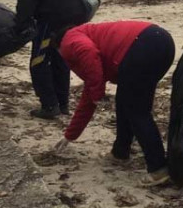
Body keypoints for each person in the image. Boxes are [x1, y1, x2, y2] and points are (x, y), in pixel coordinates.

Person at [52, 21, 175, 186]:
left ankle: (158, 168)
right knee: (126, 101)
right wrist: (70, 135)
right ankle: (120, 152)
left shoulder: (68, 41)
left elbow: (87, 51)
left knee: (136, 110)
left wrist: (98, 93)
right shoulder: (88, 33)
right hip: (161, 41)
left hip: (142, 46)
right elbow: (88, 99)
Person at [9, 0, 89, 119]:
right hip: (74, 17)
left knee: (39, 60)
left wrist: (20, 24)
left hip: (51, 19)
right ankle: (63, 103)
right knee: (61, 57)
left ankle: (49, 105)